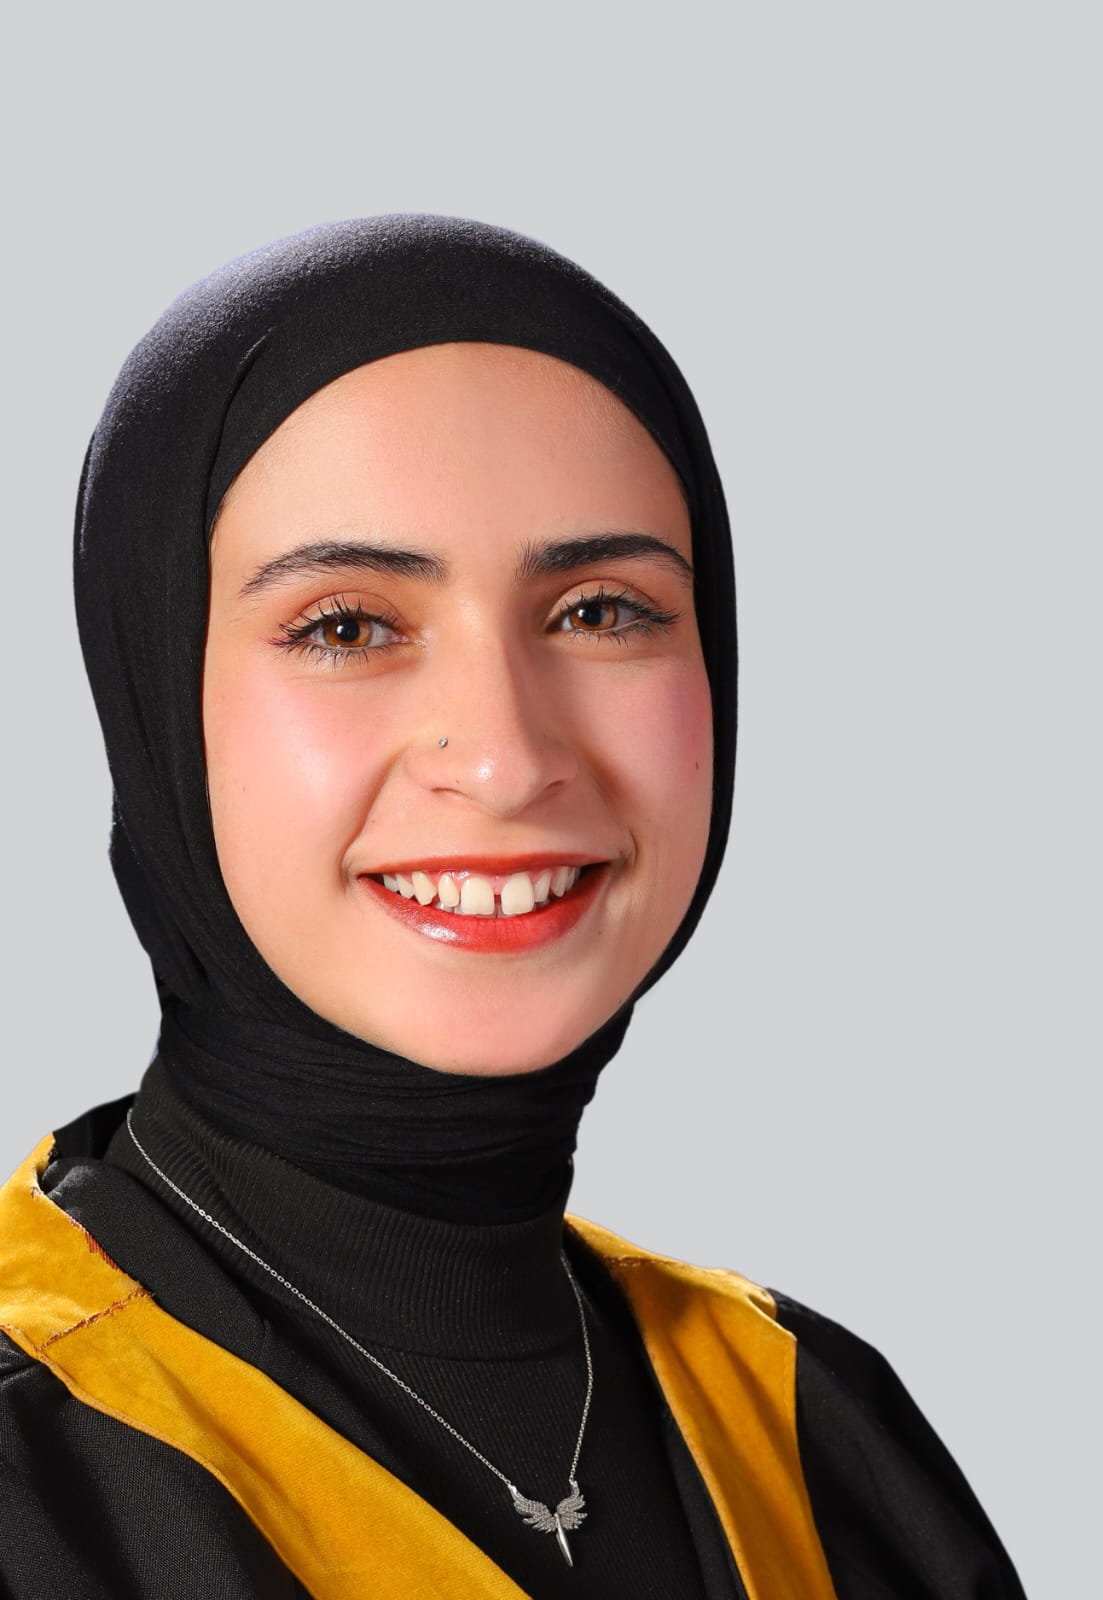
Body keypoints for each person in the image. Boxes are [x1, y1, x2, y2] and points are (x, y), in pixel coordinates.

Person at [0, 216, 1025, 1598]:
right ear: (153, 700)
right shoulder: (34, 1462)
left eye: (601, 612)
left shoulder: (823, 1431)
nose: (504, 756)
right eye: (347, 626)